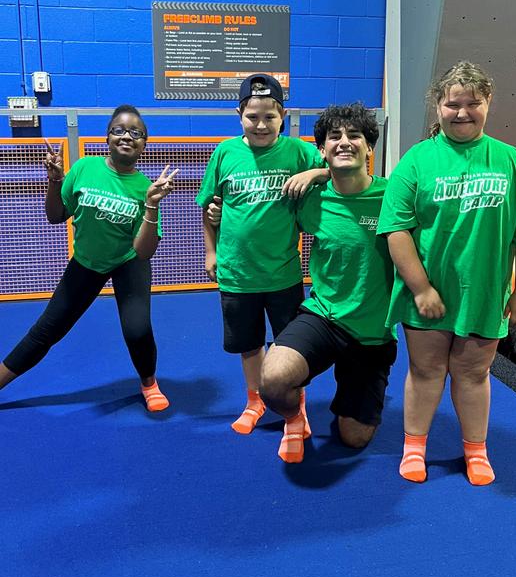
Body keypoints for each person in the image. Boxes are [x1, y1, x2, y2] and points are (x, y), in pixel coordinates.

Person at [376, 61, 516, 485]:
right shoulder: (418, 160)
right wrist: (420, 288)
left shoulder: (510, 162)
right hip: (429, 294)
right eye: (452, 104)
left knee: (474, 374)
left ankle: (475, 450)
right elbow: (396, 230)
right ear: (437, 107)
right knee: (425, 372)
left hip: (483, 293)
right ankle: (414, 446)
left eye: (472, 103)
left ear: (488, 103)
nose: (462, 112)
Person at [0, 105, 178, 412]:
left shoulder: (145, 188)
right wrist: (55, 181)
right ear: (107, 137)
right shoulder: (84, 168)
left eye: (136, 133)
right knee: (47, 329)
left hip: (127, 261)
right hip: (86, 261)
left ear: (144, 144)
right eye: (119, 130)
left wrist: (151, 205)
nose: (127, 136)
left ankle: (149, 383)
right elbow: (56, 215)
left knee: (137, 329)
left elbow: (144, 252)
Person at [196, 74, 329, 450]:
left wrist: (315, 171)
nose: (260, 125)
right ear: (239, 115)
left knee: (290, 348)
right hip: (237, 274)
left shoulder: (298, 152)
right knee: (250, 345)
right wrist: (211, 251)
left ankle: (296, 407)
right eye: (252, 116)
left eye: (269, 117)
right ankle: (255, 401)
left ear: (282, 116)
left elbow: (337, 171)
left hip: (283, 273)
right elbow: (209, 206)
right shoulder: (225, 153)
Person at [259, 103, 397, 463]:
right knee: (273, 381)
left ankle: (359, 388)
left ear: (370, 147)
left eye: (355, 136)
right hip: (324, 317)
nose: (344, 142)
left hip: (372, 333)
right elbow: (254, 219)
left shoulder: (394, 197)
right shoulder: (310, 200)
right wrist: (215, 216)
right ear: (322, 149)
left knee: (354, 438)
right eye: (334, 137)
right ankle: (296, 416)